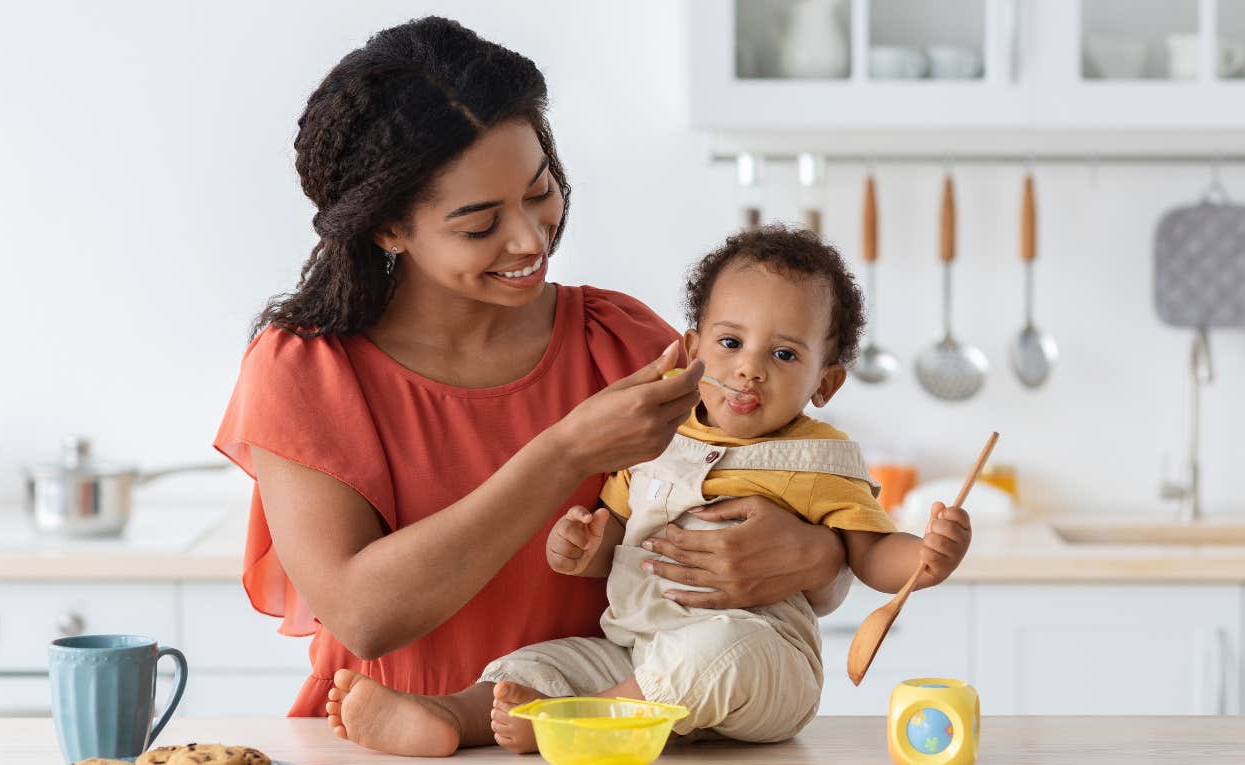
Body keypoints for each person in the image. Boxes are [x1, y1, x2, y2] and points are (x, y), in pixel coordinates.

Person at [213, 15, 855, 731]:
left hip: (597, 740)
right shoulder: (307, 371)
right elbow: (364, 614)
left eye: (539, 189)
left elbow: (794, 535)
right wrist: (568, 450)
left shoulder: (622, 343)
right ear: (389, 228)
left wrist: (815, 551)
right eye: (480, 223)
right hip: (378, 744)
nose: (530, 237)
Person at [327, 225, 973, 754]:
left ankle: (589, 722)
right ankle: (452, 715)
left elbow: (870, 554)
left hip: (761, 658)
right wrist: (578, 543)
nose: (749, 365)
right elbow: (609, 536)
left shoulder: (821, 456)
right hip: (632, 648)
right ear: (691, 346)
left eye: (783, 355)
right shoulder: (656, 431)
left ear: (824, 383)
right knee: (538, 663)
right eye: (730, 342)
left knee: (720, 650)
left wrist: (927, 556)